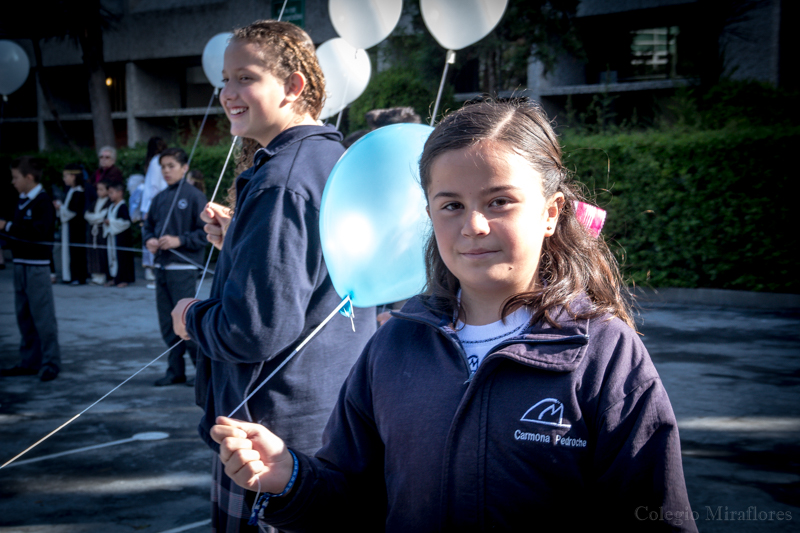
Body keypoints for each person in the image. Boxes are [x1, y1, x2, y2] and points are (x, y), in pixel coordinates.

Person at [210, 100, 698, 531]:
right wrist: (291, 478)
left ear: (551, 213)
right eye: (451, 205)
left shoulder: (603, 351)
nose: (474, 225)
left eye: (499, 201)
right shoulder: (394, 346)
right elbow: (352, 501)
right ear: (428, 212)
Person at [168, 20, 376, 532]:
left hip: (271, 433)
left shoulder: (282, 181)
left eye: (246, 77)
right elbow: (313, 274)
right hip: (326, 414)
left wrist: (190, 317)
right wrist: (240, 236)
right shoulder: (331, 159)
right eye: (225, 79)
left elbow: (254, 328)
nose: (228, 93)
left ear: (294, 86)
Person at [143, 148, 207, 387]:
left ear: (184, 168)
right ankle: (175, 371)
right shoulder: (159, 198)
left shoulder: (193, 196)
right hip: (161, 267)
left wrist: (179, 240)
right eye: (163, 166)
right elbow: (147, 227)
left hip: (183, 268)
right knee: (167, 323)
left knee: (186, 321)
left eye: (171, 165)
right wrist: (149, 240)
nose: (166, 171)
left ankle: (201, 372)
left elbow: (204, 233)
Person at [0, 156, 61, 382]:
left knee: (42, 317)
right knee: (23, 316)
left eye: (15, 178)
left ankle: (50, 362)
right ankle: (29, 360)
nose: (13, 182)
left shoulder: (43, 202)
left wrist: (8, 226)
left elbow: (38, 234)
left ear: (29, 177)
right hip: (20, 265)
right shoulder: (21, 199)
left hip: (37, 267)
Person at [141, 137, 168, 285]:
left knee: (156, 234)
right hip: (158, 204)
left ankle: (153, 268)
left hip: (155, 204)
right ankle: (153, 268)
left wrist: (147, 208)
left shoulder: (156, 161)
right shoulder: (158, 161)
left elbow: (153, 187)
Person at [55, 163, 88, 285]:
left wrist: (60, 208)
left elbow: (73, 211)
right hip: (70, 227)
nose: (64, 179)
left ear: (73, 176)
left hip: (76, 228)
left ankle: (78, 276)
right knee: (71, 251)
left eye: (66, 176)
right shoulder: (72, 191)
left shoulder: (79, 192)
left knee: (76, 252)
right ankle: (70, 275)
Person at [103, 181, 134, 287]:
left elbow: (126, 223)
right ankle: (114, 278)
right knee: (112, 257)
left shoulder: (122, 206)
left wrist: (111, 222)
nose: (109, 195)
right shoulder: (111, 206)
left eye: (111, 192)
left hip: (122, 238)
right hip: (112, 237)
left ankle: (124, 279)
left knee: (122, 258)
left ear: (120, 192)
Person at [84, 179, 110, 285]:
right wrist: (94, 218)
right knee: (93, 252)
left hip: (101, 231)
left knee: (101, 253)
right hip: (93, 231)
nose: (99, 192)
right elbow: (86, 214)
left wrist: (94, 218)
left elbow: (102, 216)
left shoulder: (108, 203)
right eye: (98, 189)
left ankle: (102, 275)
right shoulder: (95, 202)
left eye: (101, 189)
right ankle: (95, 275)